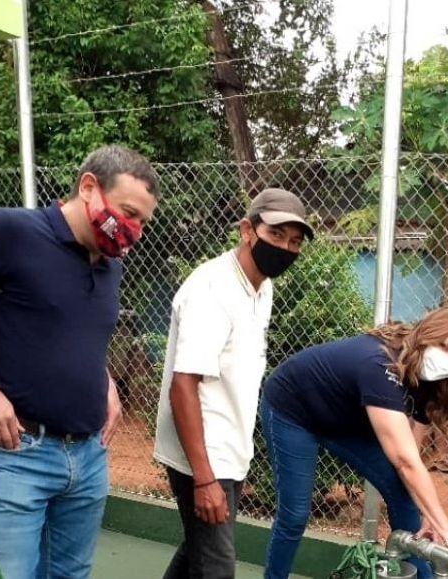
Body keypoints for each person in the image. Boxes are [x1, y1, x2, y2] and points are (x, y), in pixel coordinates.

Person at [0, 145, 160, 579]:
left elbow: (78, 333)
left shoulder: (111, 264)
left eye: (143, 223)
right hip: (16, 454)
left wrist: (106, 380)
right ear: (89, 187)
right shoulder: (9, 232)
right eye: (128, 213)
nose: (133, 231)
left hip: (89, 459)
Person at [153, 188, 313, 579]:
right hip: (204, 454)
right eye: (276, 235)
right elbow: (183, 384)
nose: (286, 248)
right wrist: (205, 478)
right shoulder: (212, 289)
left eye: (294, 242)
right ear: (247, 230)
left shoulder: (263, 287)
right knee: (217, 566)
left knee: (199, 551)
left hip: (229, 448)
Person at [261, 307, 448, 579]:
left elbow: (409, 457)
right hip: (294, 410)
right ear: (428, 333)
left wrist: (431, 515)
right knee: (295, 513)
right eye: (444, 346)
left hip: (346, 421)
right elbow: (405, 462)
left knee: (404, 496)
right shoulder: (380, 364)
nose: (446, 359)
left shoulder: (430, 380)